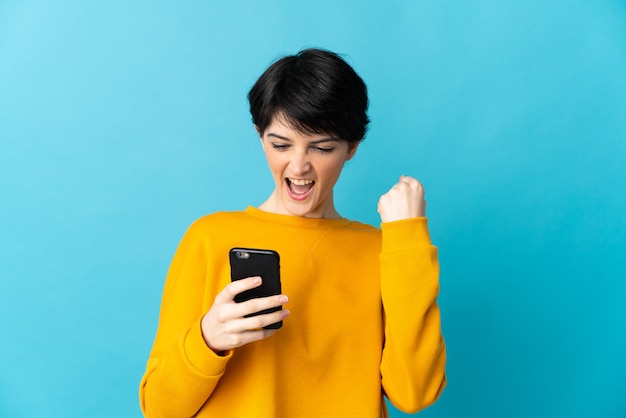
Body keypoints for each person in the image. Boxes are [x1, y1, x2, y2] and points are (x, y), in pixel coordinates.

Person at [139, 48, 446, 418]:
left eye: (322, 147)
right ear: (259, 136)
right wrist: (207, 340)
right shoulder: (210, 238)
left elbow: (416, 393)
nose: (298, 165)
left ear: (352, 147)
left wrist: (408, 240)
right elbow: (159, 409)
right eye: (280, 144)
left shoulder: (382, 251)